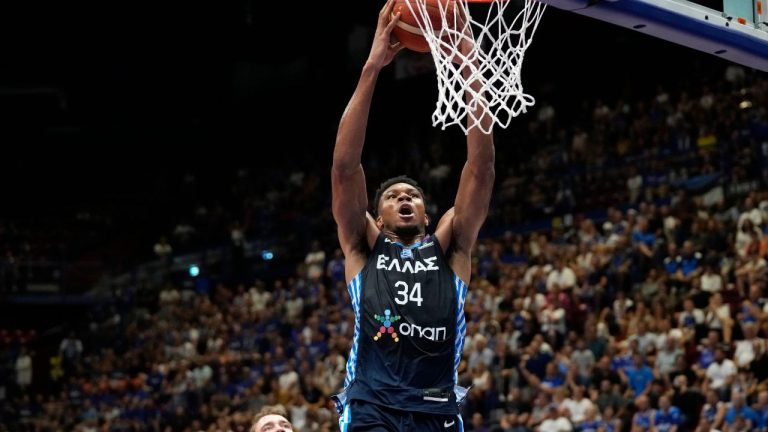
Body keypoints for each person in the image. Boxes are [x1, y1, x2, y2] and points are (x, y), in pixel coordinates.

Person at [330, 0, 495, 430]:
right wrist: (372, 68)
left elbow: (480, 167)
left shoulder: (452, 246)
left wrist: (469, 63)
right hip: (372, 402)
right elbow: (345, 169)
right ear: (378, 219)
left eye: (413, 196)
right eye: (393, 197)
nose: (405, 198)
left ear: (426, 213)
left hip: (436, 406)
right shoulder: (364, 248)